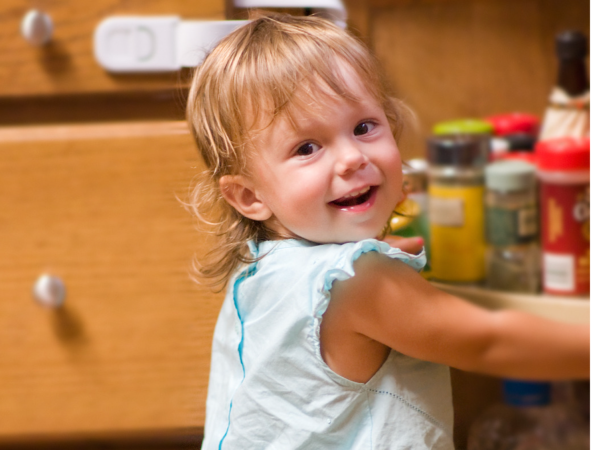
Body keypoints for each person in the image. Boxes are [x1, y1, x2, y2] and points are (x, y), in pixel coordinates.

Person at [186, 14, 589, 450]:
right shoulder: (357, 281)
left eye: (363, 127)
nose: (351, 158)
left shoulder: (262, 265)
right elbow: (490, 341)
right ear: (249, 197)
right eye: (307, 148)